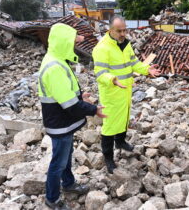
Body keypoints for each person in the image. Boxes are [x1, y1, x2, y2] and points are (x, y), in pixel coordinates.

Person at [38, 23, 107, 210]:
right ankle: (52, 199)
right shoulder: (54, 67)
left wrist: (79, 96)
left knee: (65, 157)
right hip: (60, 124)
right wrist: (94, 110)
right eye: (72, 42)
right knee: (58, 163)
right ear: (62, 42)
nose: (74, 45)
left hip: (62, 122)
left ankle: (68, 184)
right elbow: (70, 105)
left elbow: (63, 94)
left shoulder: (57, 60)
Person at [92, 16, 160, 174]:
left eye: (125, 30)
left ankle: (121, 142)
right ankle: (108, 158)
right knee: (109, 127)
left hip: (126, 90)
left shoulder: (126, 44)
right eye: (119, 31)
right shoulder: (102, 48)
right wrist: (112, 79)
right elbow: (100, 73)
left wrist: (146, 70)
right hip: (111, 93)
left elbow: (133, 63)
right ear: (110, 30)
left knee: (124, 118)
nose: (123, 34)